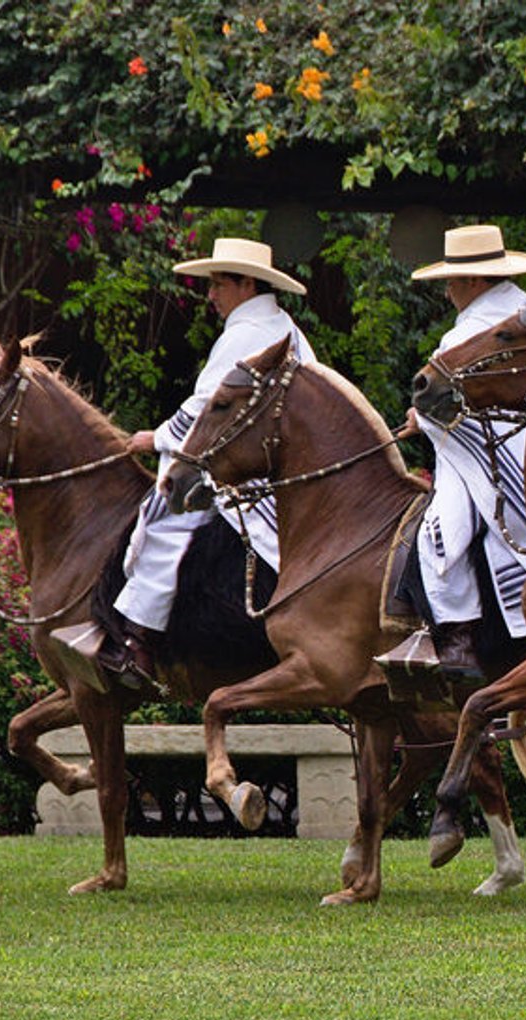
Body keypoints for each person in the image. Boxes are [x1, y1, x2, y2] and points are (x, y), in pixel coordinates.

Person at [104, 238, 306, 687]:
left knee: (166, 521)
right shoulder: (280, 324)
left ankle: (141, 641)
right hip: (273, 467)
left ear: (247, 283)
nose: (210, 295)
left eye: (218, 284)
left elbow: (208, 407)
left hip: (250, 476)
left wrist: (154, 437)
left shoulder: (248, 333)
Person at [394, 224, 526, 682]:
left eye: (453, 282)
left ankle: (456, 636)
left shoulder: (470, 333)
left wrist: (426, 419)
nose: (448, 292)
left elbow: (453, 405)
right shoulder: (524, 310)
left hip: (489, 454)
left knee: (439, 531)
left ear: (476, 281)